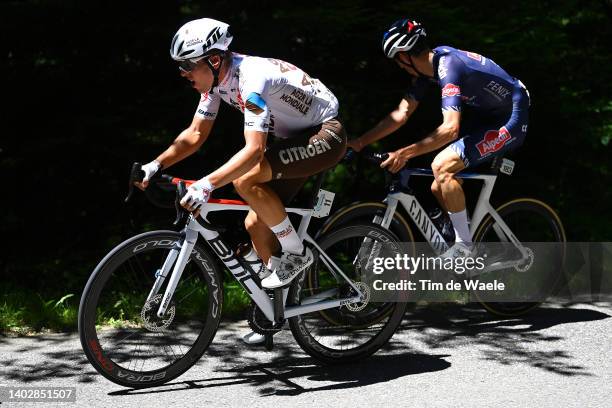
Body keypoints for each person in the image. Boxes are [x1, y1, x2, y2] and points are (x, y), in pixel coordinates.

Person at [135, 18, 346, 343]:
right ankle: (274, 314)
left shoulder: (252, 79)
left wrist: (206, 184)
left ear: (214, 60)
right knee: (255, 225)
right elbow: (194, 134)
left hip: (324, 135)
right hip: (293, 141)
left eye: (188, 66)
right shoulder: (216, 82)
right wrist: (155, 164)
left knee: (246, 179)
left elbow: (254, 150)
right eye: (180, 67)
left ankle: (295, 252)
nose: (183, 74)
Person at [348, 18, 530, 258]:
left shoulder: (449, 67)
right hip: (487, 115)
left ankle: (465, 248)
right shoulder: (429, 71)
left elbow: (450, 129)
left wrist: (403, 153)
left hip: (511, 116)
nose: (398, 66)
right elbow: (401, 114)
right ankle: (465, 239)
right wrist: (360, 142)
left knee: (441, 166)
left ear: (405, 55)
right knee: (438, 184)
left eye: (397, 60)